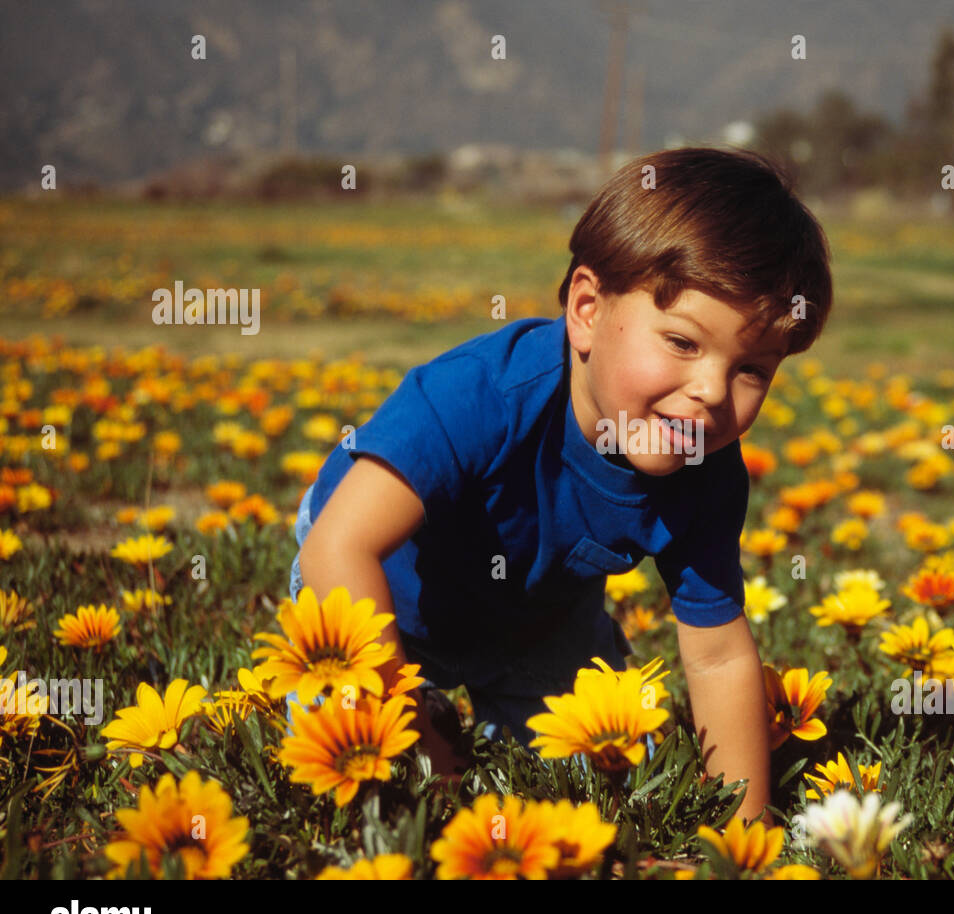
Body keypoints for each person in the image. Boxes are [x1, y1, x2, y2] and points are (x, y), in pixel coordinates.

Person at [289, 146, 832, 822]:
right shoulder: (481, 395)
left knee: (595, 774)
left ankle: (480, 704)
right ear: (586, 309)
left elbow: (718, 656)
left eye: (752, 369)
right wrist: (411, 733)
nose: (712, 392)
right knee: (352, 772)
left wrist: (748, 834)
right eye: (684, 344)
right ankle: (425, 703)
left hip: (537, 620)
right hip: (377, 593)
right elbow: (338, 552)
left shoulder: (707, 470)